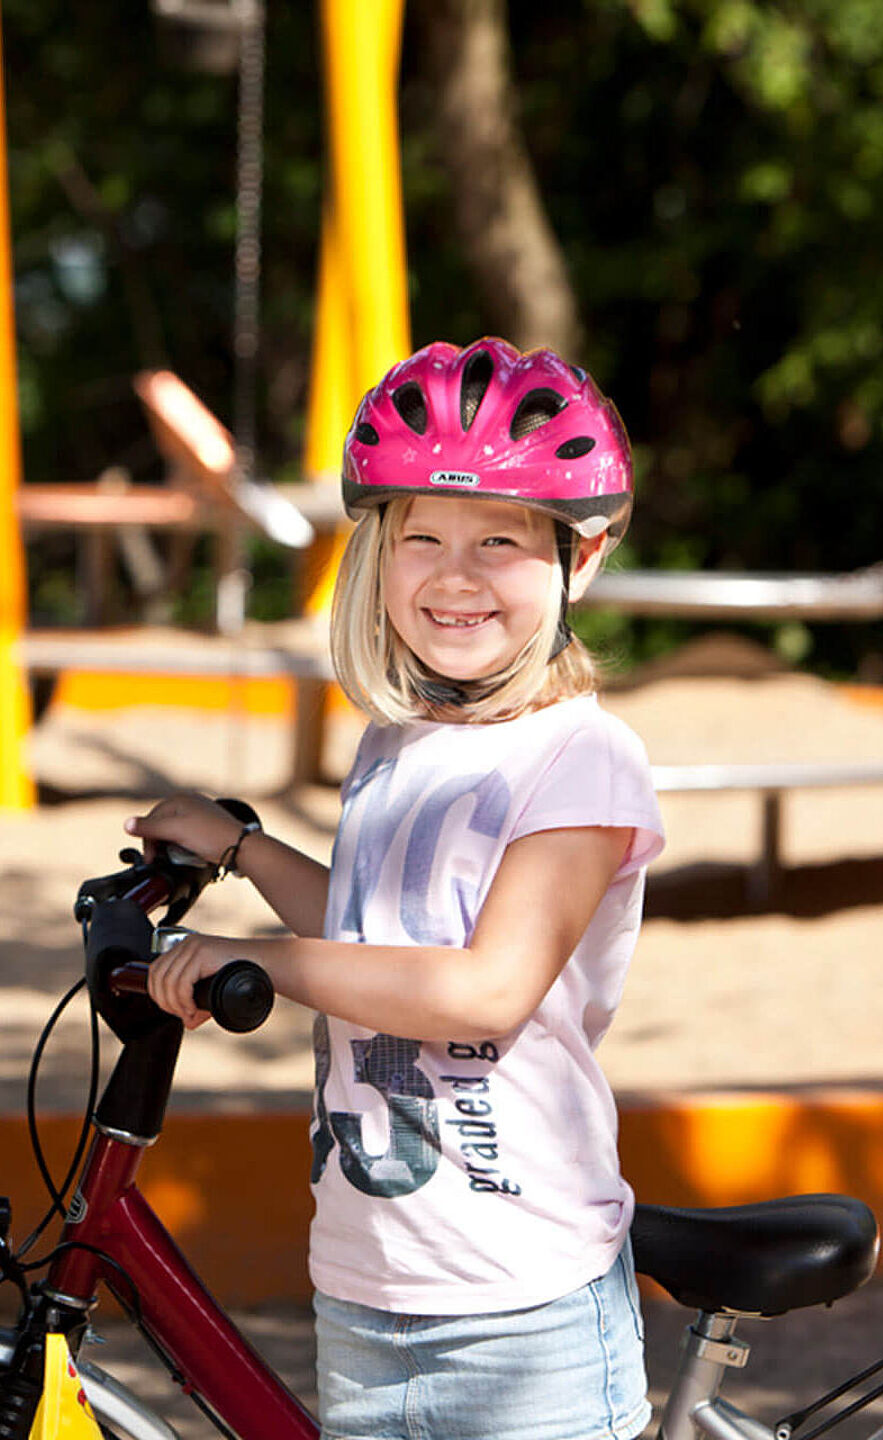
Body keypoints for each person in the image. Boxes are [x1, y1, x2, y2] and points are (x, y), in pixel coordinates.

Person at [126, 337, 665, 1440]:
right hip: (369, 1284)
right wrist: (246, 852)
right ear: (375, 552)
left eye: (499, 542)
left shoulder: (580, 759)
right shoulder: (397, 739)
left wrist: (257, 962)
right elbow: (378, 939)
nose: (454, 575)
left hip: (520, 1310)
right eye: (420, 536)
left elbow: (480, 991)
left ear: (583, 554)